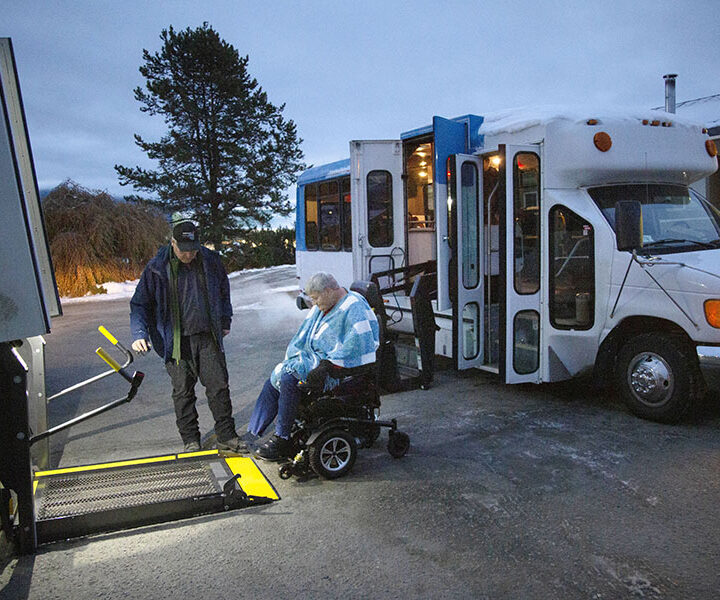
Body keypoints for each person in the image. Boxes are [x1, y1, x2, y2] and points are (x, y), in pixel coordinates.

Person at [130, 220, 245, 453]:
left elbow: (224, 291)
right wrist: (139, 333)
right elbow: (139, 304)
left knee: (219, 387)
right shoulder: (156, 268)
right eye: (184, 249)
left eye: (193, 248)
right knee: (183, 392)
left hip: (207, 337)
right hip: (176, 343)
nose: (189, 254)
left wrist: (225, 320)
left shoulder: (210, 261)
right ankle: (191, 440)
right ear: (172, 243)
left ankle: (227, 436)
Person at [247, 272, 380, 460]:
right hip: (316, 359)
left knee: (289, 379)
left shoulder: (353, 306)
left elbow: (359, 344)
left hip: (338, 368)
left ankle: (282, 438)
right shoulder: (329, 303)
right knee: (275, 377)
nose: (315, 304)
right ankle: (253, 432)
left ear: (328, 291)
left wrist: (327, 366)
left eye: (316, 298)